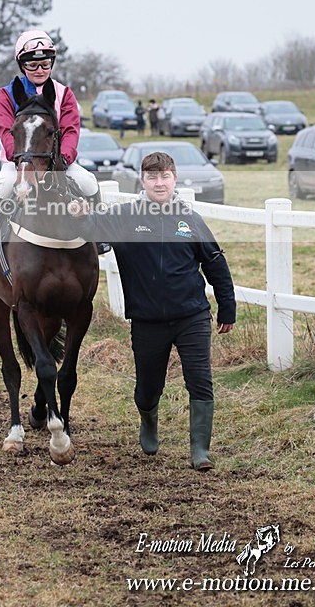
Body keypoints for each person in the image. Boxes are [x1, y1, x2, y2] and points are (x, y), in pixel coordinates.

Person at [69, 152, 236, 470]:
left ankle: (200, 451)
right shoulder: (124, 217)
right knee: (148, 387)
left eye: (165, 177)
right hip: (147, 320)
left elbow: (215, 263)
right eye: (152, 177)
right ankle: (148, 420)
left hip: (192, 315)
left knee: (200, 380)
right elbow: (92, 229)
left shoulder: (190, 220)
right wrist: (79, 215)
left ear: (174, 179)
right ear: (142, 181)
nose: (160, 183)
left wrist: (227, 308)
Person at [0, 29, 108, 258]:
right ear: (22, 66)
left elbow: (70, 129)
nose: (40, 70)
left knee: (88, 182)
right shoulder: (7, 95)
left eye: (45, 64)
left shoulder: (64, 93)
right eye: (33, 65)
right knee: (4, 185)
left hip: (55, 161)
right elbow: (5, 130)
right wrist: (20, 160)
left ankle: (97, 234)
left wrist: (64, 159)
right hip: (18, 161)